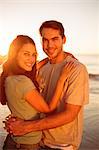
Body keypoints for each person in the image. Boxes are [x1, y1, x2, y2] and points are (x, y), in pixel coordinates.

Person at [5, 20, 89, 150]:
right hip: (38, 141)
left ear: (64, 39)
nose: (49, 45)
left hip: (60, 145)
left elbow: (70, 114)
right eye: (45, 40)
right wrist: (17, 120)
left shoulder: (76, 69)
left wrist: (25, 126)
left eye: (55, 39)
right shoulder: (39, 68)